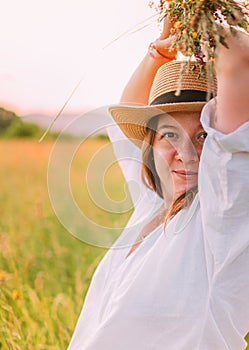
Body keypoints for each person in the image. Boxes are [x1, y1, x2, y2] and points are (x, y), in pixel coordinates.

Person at [68, 19, 249, 349]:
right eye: (169, 134)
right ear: (149, 143)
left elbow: (239, 61)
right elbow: (130, 109)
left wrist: (213, 19)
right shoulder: (152, 202)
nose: (187, 154)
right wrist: (158, 53)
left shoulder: (222, 217)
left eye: (204, 136)